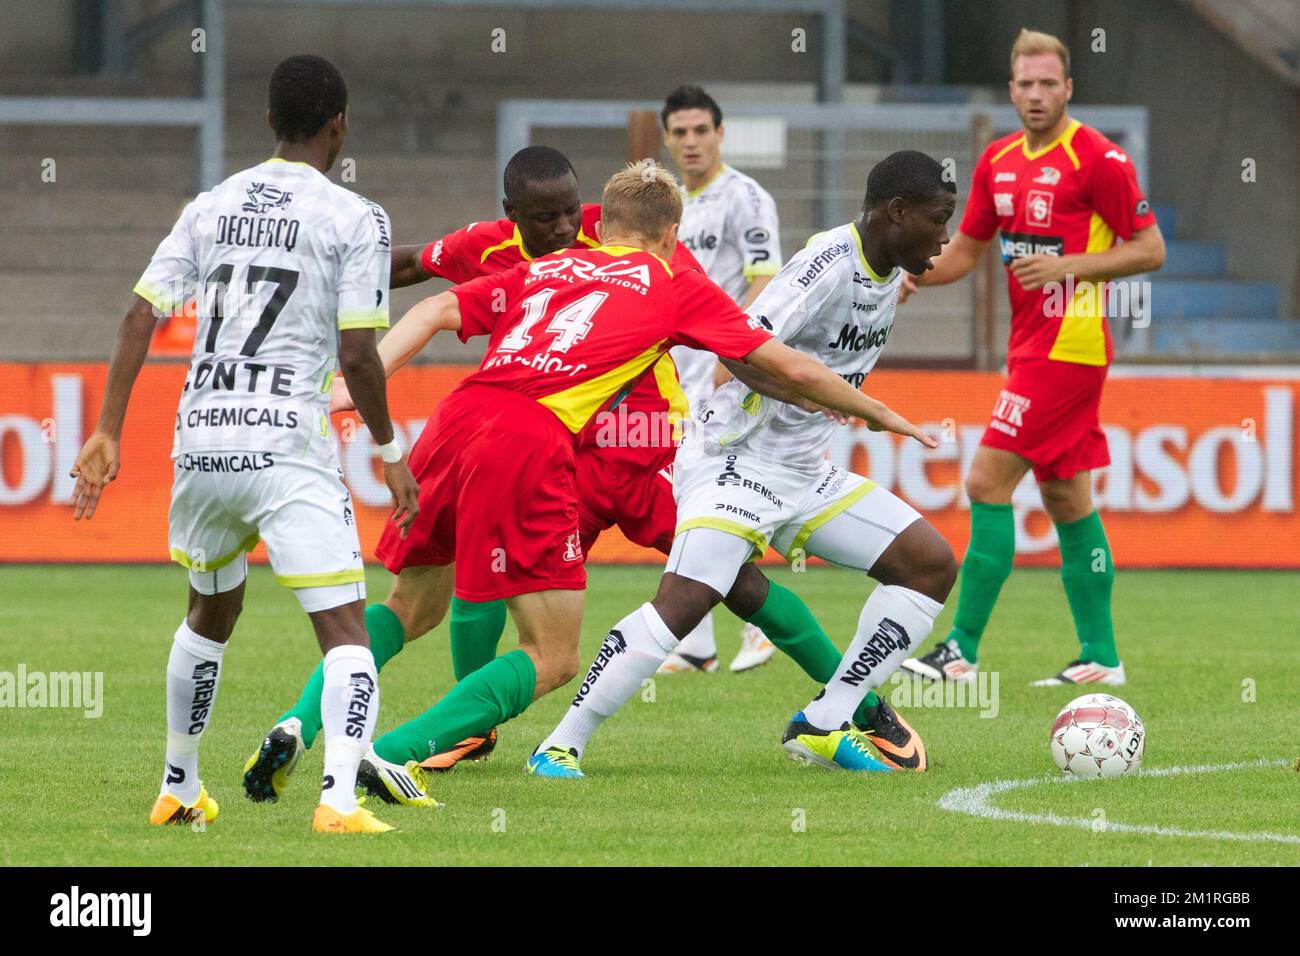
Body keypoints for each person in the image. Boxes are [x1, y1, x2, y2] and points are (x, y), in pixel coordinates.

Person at [251, 148, 922, 794]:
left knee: (421, 599)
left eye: (572, 215)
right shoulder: (666, 275)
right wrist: (874, 410)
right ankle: (400, 750)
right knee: (597, 633)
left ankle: (307, 722)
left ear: (596, 215)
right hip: (593, 448)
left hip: (471, 422)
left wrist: (350, 383)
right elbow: (776, 359)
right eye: (548, 218)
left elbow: (429, 303)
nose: (562, 228)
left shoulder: (540, 268)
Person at [69, 54, 420, 834]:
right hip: (286, 445)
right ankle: (336, 803)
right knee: (346, 630)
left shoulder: (211, 204)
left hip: (200, 443)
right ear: (341, 125)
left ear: (268, 122)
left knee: (209, 612)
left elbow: (139, 316)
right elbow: (360, 355)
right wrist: (392, 454)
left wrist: (105, 429)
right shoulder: (354, 216)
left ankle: (179, 785)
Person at [530, 150, 957, 778]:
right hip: (736, 461)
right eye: (938, 219)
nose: (946, 236)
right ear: (896, 213)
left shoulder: (889, 268)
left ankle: (823, 722)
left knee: (930, 565)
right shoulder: (826, 264)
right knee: (683, 604)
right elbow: (740, 348)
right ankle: (560, 744)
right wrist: (823, 396)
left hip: (806, 473)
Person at [900, 29, 1164, 688]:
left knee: (987, 481)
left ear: (1069, 88)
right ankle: (1101, 657)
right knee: (1066, 496)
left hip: (1071, 347)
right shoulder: (998, 160)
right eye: (1027, 84)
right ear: (1012, 89)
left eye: (1050, 83)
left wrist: (1069, 266)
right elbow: (962, 252)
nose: (1038, 94)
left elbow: (1150, 248)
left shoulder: (1098, 158)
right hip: (1030, 347)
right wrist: (908, 272)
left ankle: (959, 649)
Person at [659, 84, 785, 673]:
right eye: (680, 132)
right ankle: (698, 643)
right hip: (671, 378)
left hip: (722, 377)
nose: (690, 141)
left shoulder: (746, 198)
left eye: (700, 130)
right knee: (689, 502)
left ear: (720, 133)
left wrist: (726, 356)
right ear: (667, 138)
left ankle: (763, 627)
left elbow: (766, 280)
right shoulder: (666, 205)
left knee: (726, 500)